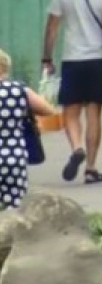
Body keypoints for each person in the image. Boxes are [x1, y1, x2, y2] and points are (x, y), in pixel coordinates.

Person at [42, 0, 102, 184]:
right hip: (99, 58)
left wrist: (47, 58)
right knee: (94, 112)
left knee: (70, 112)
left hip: (72, 58)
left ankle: (76, 148)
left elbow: (52, 27)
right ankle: (91, 168)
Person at [0, 48, 57, 209]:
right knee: (14, 208)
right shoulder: (19, 90)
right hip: (14, 158)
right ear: (5, 68)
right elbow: (49, 110)